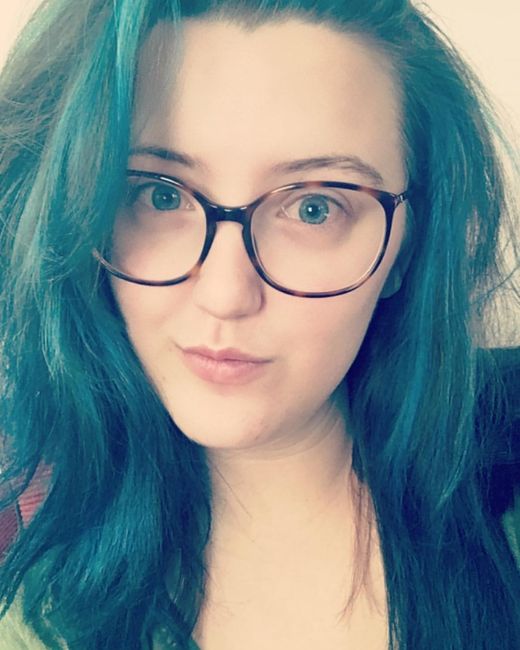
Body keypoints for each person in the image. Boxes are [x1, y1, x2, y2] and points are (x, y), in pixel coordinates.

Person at [0, 0, 518, 648]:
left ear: (406, 250)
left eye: (314, 207)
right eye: (160, 194)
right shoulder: (36, 615)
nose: (226, 295)